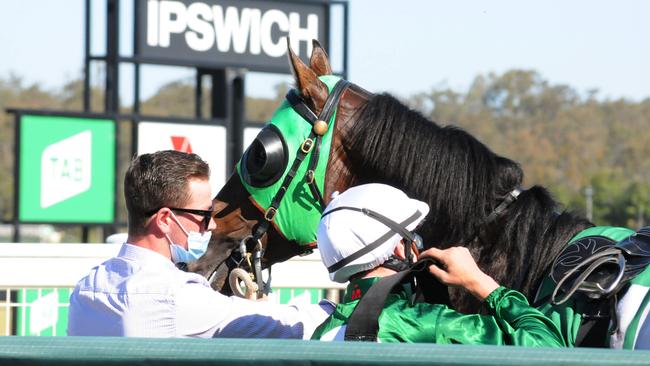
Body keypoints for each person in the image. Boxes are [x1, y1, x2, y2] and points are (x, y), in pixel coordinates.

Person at [68, 150, 333, 338]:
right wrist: (341, 307)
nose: (213, 225)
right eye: (205, 216)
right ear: (164, 219)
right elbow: (288, 326)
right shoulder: (176, 297)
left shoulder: (86, 289)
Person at [311, 183, 567, 346]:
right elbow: (548, 348)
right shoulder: (425, 324)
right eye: (414, 236)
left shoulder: (323, 331)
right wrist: (482, 283)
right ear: (400, 247)